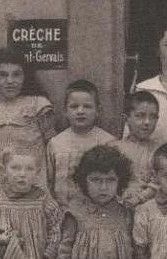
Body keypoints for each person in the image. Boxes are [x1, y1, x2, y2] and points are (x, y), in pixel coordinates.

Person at [56, 145, 134, 259]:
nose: (103, 187)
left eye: (110, 180)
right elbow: (64, 249)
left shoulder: (125, 213)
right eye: (96, 180)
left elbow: (135, 249)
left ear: (120, 182)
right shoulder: (75, 212)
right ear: (84, 181)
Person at [0, 47, 55, 191]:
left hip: (31, 182)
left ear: (24, 77)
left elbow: (52, 147)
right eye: (3, 75)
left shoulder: (38, 105)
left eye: (16, 74)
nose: (10, 81)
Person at [46, 79, 116, 208]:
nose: (80, 111)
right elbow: (49, 181)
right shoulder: (56, 143)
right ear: (65, 111)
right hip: (62, 210)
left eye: (87, 106)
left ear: (98, 111)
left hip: (96, 211)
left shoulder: (108, 142)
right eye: (74, 106)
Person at [115, 90, 162, 206]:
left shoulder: (160, 151)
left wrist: (141, 197)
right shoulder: (115, 148)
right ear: (126, 119)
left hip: (151, 206)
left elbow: (160, 181)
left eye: (153, 117)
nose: (147, 122)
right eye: (140, 116)